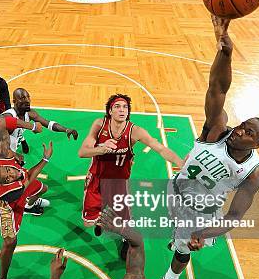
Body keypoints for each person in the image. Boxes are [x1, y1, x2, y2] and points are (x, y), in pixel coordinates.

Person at [146, 16, 259, 279]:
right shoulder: (217, 130)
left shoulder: (253, 173)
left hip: (198, 213)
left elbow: (235, 215)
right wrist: (224, 53)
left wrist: (203, 234)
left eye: (249, 132)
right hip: (175, 188)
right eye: (243, 125)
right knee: (159, 221)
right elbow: (217, 88)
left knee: (182, 250)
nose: (240, 130)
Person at [78, 94, 184, 243]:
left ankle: (125, 240)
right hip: (97, 180)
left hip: (119, 182)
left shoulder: (135, 131)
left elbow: (159, 148)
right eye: (117, 107)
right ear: (110, 111)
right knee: (88, 223)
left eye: (125, 107)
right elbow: (82, 152)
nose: (122, 110)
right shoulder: (99, 125)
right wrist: (101, 149)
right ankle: (102, 218)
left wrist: (179, 162)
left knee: (124, 220)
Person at [0, 116, 53, 279]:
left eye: (8, 171)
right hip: (7, 206)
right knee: (10, 241)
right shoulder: (11, 191)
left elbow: (2, 123)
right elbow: (29, 176)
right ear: (6, 182)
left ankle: (31, 206)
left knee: (43, 188)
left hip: (18, 189)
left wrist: (31, 126)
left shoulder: (2, 155)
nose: (11, 173)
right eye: (8, 177)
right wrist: (46, 158)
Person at [0, 87, 78, 172]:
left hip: (9, 156)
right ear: (14, 102)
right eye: (22, 98)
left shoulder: (29, 113)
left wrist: (66, 129)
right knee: (7, 188)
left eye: (28, 97)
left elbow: (48, 124)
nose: (27, 100)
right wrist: (10, 153)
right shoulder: (6, 117)